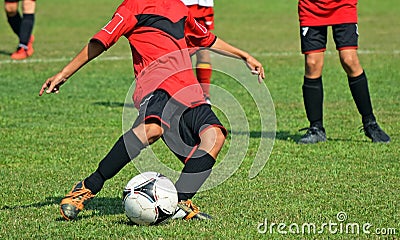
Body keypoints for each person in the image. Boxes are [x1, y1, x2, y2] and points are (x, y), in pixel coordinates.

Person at [39, 0, 264, 221]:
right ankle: (87, 187)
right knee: (152, 128)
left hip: (188, 89)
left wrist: (244, 55)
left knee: (215, 136)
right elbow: (101, 41)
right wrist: (64, 74)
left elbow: (206, 38)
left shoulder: (178, 7)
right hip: (156, 85)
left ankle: (180, 202)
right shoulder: (132, 6)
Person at [297, 0, 390, 144]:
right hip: (311, 6)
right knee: (312, 63)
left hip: (343, 5)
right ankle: (316, 128)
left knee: (349, 60)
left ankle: (370, 123)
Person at [182, 0, 214, 103]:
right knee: (182, 51)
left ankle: (204, 95)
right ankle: (187, 94)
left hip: (200, 6)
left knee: (203, 47)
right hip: (178, 6)